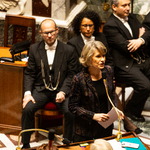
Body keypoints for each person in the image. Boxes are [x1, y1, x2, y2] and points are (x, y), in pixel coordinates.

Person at [103, 0, 150, 122]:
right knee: (145, 85)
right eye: (124, 6)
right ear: (114, 7)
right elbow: (126, 47)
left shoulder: (132, 17)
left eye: (128, 5)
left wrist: (140, 40)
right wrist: (141, 38)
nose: (128, 8)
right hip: (125, 64)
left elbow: (148, 33)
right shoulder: (110, 26)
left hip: (141, 59)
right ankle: (131, 110)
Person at [67, 10, 142, 134]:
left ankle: (118, 120)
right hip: (86, 77)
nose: (88, 29)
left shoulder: (101, 37)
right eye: (84, 26)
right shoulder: (73, 43)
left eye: (90, 25)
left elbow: (109, 59)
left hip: (102, 74)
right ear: (79, 27)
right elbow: (75, 67)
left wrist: (108, 73)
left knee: (110, 93)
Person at [21, 19, 78, 149]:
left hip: (61, 90)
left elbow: (72, 74)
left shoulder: (69, 50)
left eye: (52, 32)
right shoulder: (35, 49)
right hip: (41, 90)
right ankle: (25, 144)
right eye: (46, 33)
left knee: (70, 111)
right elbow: (29, 73)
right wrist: (28, 93)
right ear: (41, 33)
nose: (50, 36)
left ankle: (67, 143)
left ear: (57, 30)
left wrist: (63, 91)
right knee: (27, 109)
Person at [69, 41, 124, 142]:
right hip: (85, 130)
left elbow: (111, 94)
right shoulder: (79, 79)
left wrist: (115, 109)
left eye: (103, 56)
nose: (103, 59)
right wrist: (93, 116)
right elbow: (73, 107)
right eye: (98, 56)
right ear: (89, 59)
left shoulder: (108, 71)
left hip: (105, 126)